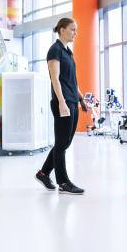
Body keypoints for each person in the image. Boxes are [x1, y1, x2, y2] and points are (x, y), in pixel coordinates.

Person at [35, 18, 88, 195]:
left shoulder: (68, 52)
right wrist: (62, 102)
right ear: (62, 30)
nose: (75, 33)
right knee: (61, 144)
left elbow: (72, 81)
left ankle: (43, 173)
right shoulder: (55, 50)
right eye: (73, 29)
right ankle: (63, 182)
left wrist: (81, 99)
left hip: (72, 101)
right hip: (62, 102)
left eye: (76, 29)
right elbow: (55, 79)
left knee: (63, 143)